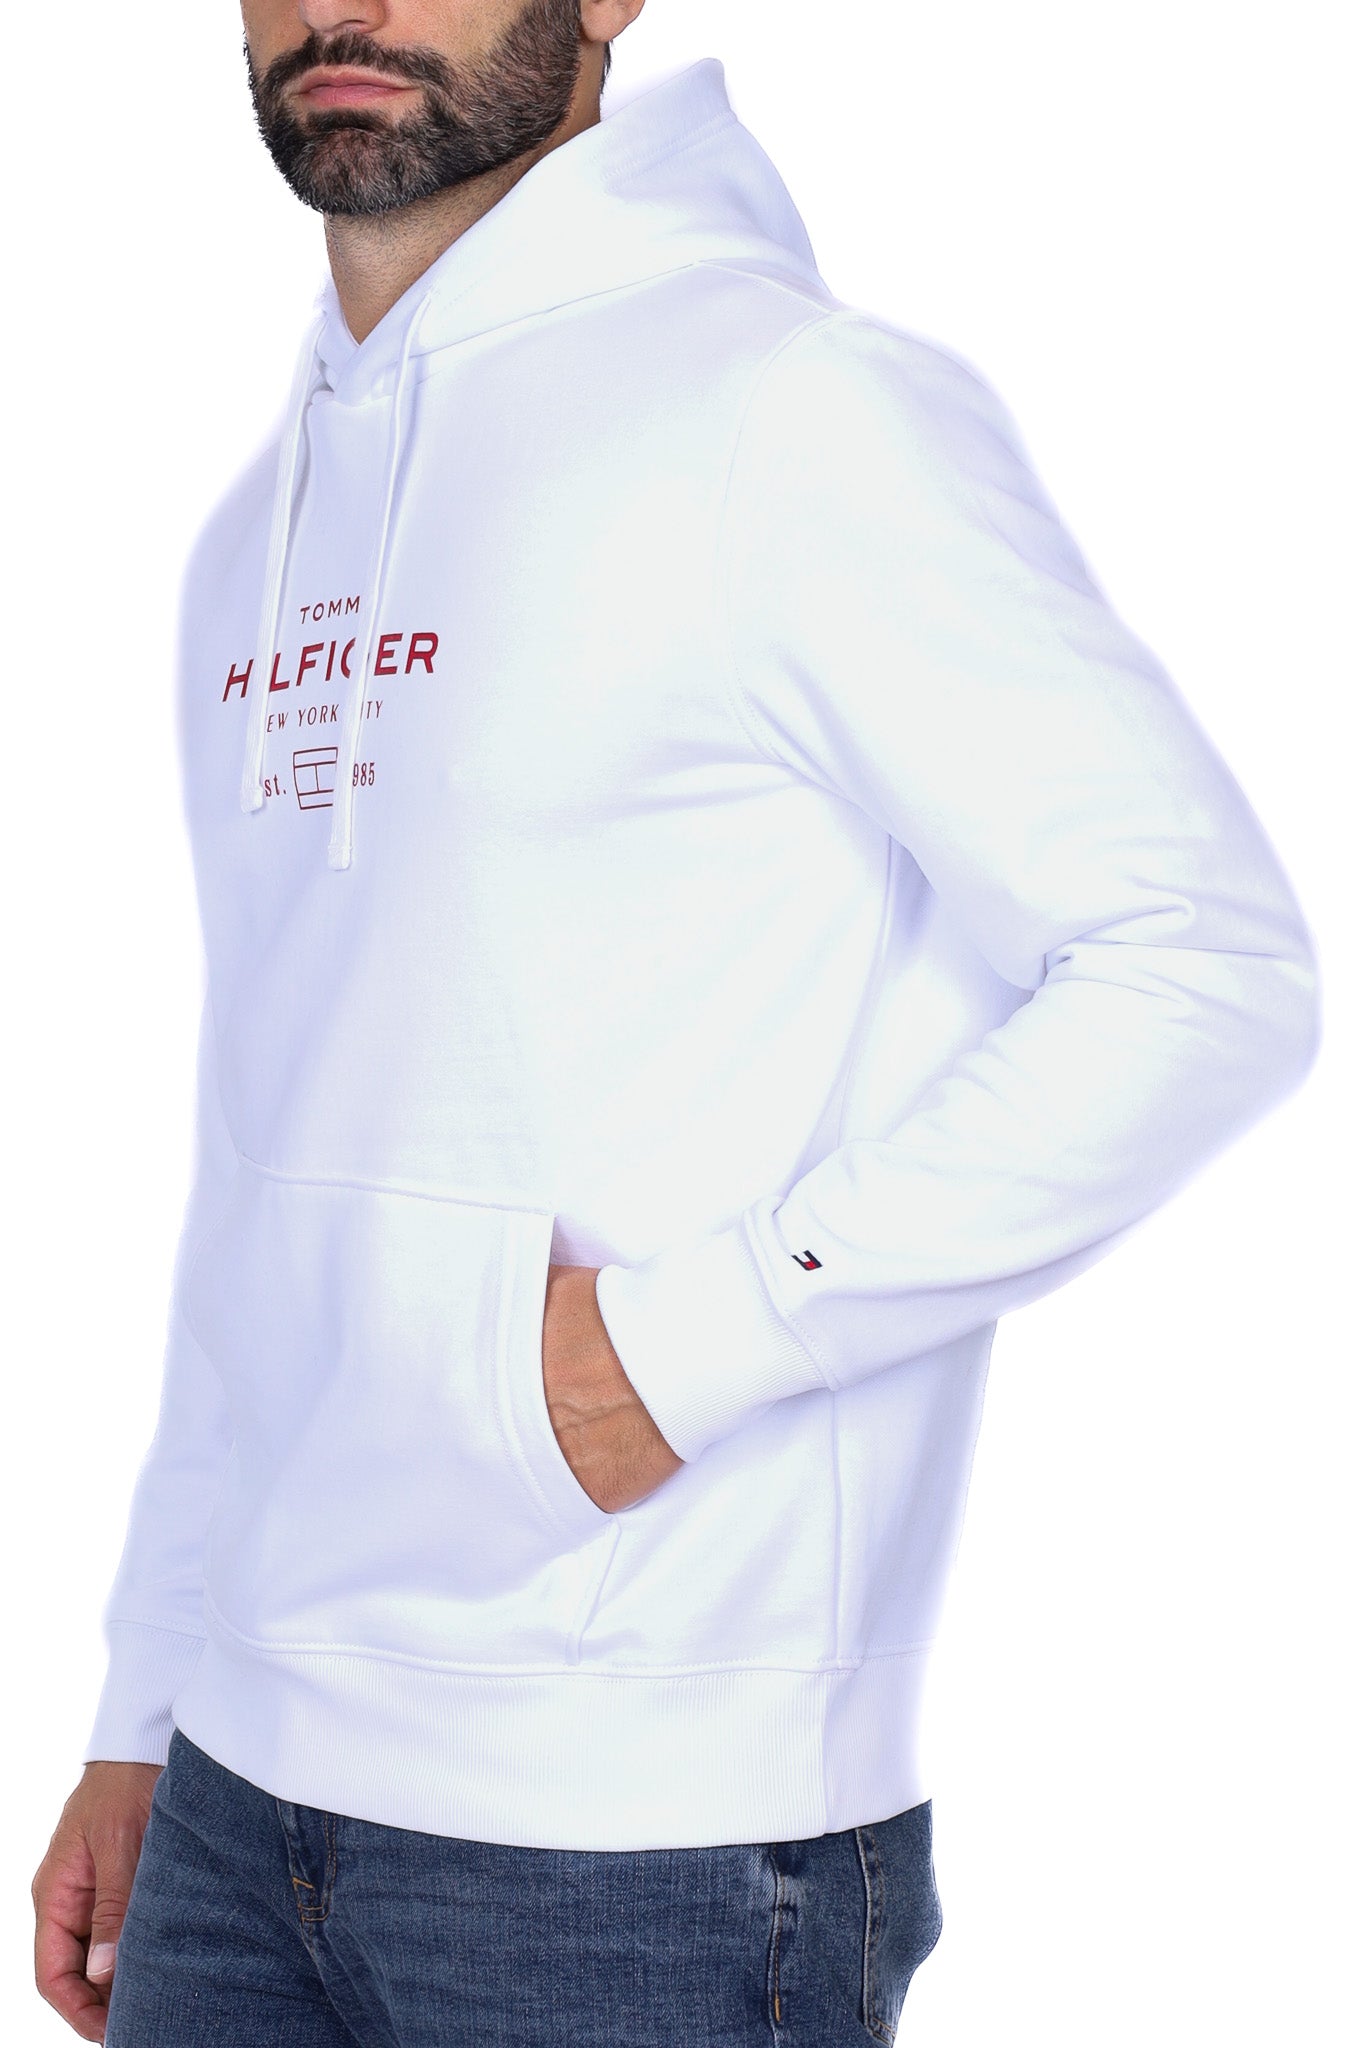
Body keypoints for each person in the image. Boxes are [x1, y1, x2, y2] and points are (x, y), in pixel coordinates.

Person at [31, 2, 1321, 2043]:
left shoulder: (792, 415)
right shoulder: (257, 530)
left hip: (639, 1834)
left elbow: (1200, 964)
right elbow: (266, 1140)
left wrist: (679, 1349)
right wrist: (148, 1691)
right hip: (234, 1797)